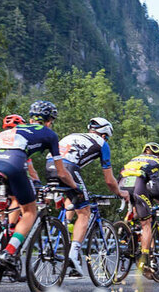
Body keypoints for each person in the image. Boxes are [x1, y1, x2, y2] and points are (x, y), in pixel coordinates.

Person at [0, 100, 77, 270]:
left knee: (7, 205)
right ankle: (9, 252)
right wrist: (75, 188)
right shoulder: (50, 135)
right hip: (13, 163)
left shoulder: (17, 129)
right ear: (49, 121)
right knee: (29, 211)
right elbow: (62, 172)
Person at [46, 117, 128, 275]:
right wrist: (120, 192)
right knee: (84, 213)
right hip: (68, 167)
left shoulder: (75, 136)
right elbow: (110, 181)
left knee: (74, 197)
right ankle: (73, 253)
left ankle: (62, 228)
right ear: (105, 134)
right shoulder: (102, 143)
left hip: (49, 166)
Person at [118, 142, 159, 279]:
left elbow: (121, 174)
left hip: (122, 184)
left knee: (136, 213)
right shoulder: (158, 162)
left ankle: (125, 232)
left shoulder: (134, 159)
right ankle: (145, 258)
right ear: (158, 154)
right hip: (138, 185)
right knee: (147, 223)